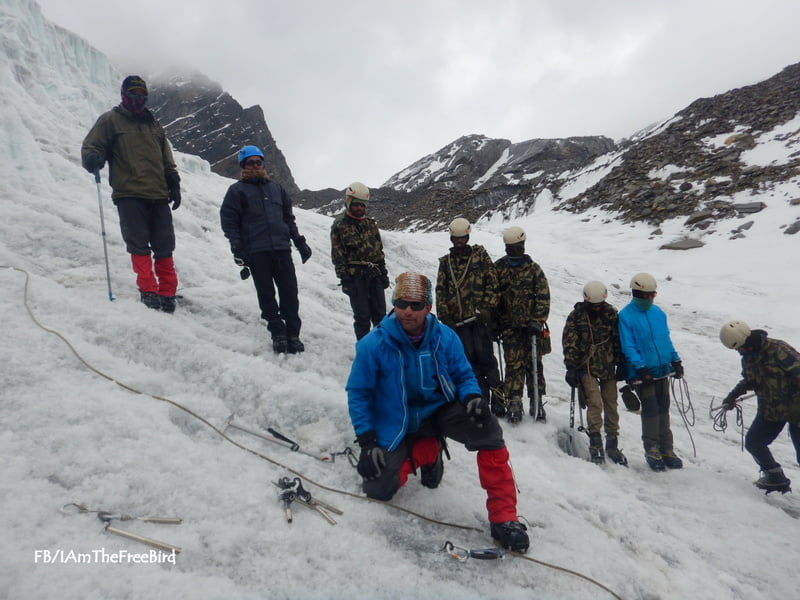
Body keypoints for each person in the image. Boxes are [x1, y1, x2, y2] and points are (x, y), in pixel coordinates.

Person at [346, 272, 529, 552]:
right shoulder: (373, 344)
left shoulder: (445, 337)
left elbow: (463, 374)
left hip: (440, 410)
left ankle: (504, 517)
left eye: (416, 305)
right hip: (398, 420)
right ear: (394, 304)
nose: (408, 310)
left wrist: (472, 397)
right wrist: (368, 442)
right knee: (378, 489)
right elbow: (358, 393)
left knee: (488, 430)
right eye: (401, 303)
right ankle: (427, 451)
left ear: (428, 308)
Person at [81, 75, 182, 313]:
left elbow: (167, 158)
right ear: (124, 96)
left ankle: (168, 292)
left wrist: (173, 181)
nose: (138, 100)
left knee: (164, 245)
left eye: (142, 96)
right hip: (129, 194)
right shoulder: (111, 120)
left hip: (158, 194)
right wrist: (93, 158)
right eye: (133, 95)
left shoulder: (154, 125)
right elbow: (92, 145)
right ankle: (148, 289)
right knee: (139, 244)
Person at [219, 145, 312, 354]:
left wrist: (300, 243)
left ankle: (293, 334)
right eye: (250, 162)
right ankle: (278, 333)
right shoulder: (236, 191)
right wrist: (237, 246)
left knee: (290, 293)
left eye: (258, 161)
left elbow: (288, 219)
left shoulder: (277, 189)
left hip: (281, 249)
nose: (255, 165)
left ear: (263, 163)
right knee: (266, 295)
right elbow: (229, 221)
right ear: (243, 165)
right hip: (256, 252)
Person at [719, 320, 800, 493]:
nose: (739, 352)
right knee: (754, 442)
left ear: (747, 342)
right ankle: (775, 477)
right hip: (771, 411)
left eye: (739, 348)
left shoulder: (779, 350)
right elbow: (750, 379)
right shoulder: (748, 357)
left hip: (797, 411)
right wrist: (733, 395)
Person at [435, 218, 505, 416]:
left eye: (462, 238)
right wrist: (445, 317)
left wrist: (487, 308)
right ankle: (479, 399)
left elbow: (492, 283)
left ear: (468, 236)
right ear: (451, 238)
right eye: (456, 239)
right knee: (469, 362)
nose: (459, 242)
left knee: (487, 360)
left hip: (480, 320)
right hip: (459, 322)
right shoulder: (446, 263)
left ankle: (499, 400)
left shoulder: (480, 256)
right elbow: (440, 291)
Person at [617, 272, 684, 471]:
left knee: (663, 408)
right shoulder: (626, 316)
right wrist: (640, 367)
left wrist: (675, 359)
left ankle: (667, 449)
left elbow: (665, 340)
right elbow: (628, 345)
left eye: (652, 295)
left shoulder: (658, 314)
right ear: (636, 294)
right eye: (646, 296)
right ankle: (652, 449)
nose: (649, 299)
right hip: (641, 373)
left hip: (662, 368)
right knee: (651, 411)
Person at [562, 281, 627, 465]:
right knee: (594, 403)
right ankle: (596, 442)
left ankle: (612, 443)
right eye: (593, 306)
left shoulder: (610, 314)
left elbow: (617, 339)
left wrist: (621, 362)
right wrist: (571, 367)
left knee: (611, 403)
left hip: (607, 366)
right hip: (586, 365)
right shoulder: (576, 316)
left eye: (599, 305)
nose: (597, 309)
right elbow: (569, 342)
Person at [494, 226, 551, 424]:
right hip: (509, 327)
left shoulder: (534, 269)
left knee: (534, 364)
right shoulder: (499, 268)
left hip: (532, 328)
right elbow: (493, 297)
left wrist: (538, 320)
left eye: (517, 246)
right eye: (511, 247)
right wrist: (494, 322)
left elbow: (543, 296)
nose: (514, 250)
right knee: (513, 363)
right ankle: (514, 401)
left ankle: (537, 400)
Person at [330, 182, 389, 340]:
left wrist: (383, 273)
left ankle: (382, 350)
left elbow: (379, 250)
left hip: (374, 275)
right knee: (362, 317)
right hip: (355, 277)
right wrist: (345, 279)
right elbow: (337, 254)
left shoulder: (371, 225)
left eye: (362, 205)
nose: (359, 208)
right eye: (356, 204)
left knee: (381, 317)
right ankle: (364, 351)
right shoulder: (339, 226)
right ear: (348, 202)